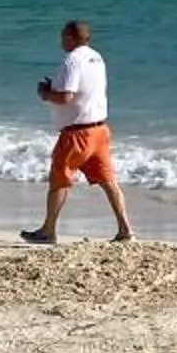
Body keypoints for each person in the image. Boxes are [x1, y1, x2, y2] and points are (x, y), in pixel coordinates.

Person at [23, 18, 133, 245]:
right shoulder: (97, 57)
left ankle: (48, 230)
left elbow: (66, 97)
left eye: (63, 35)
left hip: (77, 133)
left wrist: (45, 93)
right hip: (100, 129)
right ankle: (125, 229)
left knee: (59, 179)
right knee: (107, 180)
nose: (61, 39)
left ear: (71, 37)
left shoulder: (72, 60)